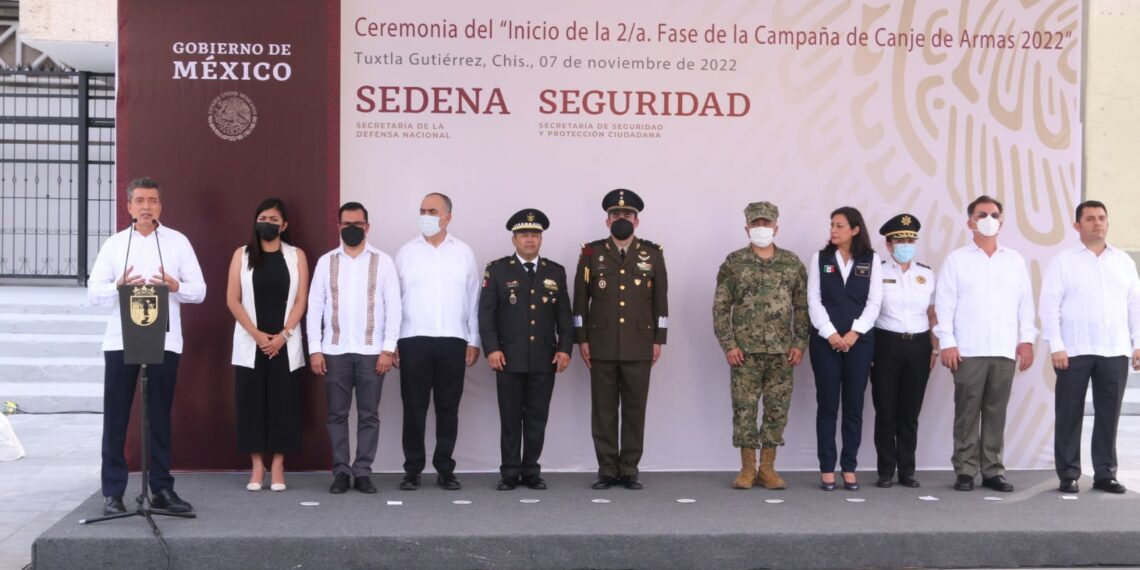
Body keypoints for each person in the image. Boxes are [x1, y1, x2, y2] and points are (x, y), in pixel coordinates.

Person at [87, 177, 205, 515]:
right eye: (139, 200)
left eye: (152, 200)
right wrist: (118, 286)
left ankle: (162, 490)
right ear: (128, 206)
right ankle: (113, 493)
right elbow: (93, 294)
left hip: (164, 339)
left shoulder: (177, 243)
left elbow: (201, 291)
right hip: (121, 340)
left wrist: (175, 285)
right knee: (116, 417)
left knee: (159, 416)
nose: (146, 206)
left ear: (161, 206)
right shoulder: (114, 245)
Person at [934, 195, 1036, 493]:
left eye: (994, 214)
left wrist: (1026, 341)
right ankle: (965, 470)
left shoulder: (1014, 260)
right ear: (970, 222)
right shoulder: (957, 260)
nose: (989, 218)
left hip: (1003, 350)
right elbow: (945, 305)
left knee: (996, 412)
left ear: (1001, 222)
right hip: (968, 350)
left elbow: (1025, 305)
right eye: (982, 214)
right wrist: (947, 343)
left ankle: (992, 470)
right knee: (967, 412)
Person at [1040, 200, 1140, 494]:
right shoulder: (1063, 261)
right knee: (1069, 413)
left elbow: (1135, 305)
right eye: (1090, 219)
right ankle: (1069, 474)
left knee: (1109, 414)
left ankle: (1105, 474)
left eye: (1102, 218)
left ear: (1107, 223)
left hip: (1115, 349)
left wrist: (1138, 343)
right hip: (1073, 350)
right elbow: (1049, 304)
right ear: (1077, 226)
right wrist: (1056, 345)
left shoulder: (1123, 261)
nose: (1097, 223)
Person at [573, 188, 668, 490]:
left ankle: (629, 469)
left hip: (639, 344)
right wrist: (581, 338)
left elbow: (660, 301)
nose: (621, 219)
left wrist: (659, 339)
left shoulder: (652, 254)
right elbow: (580, 301)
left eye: (627, 215)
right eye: (616, 215)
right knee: (603, 410)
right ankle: (606, 469)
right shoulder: (591, 253)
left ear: (636, 221)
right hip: (600, 344)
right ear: (607, 221)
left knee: (634, 409)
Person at [712, 201, 808, 490]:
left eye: (766, 223)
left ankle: (767, 468)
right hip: (745, 352)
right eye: (756, 224)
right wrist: (728, 344)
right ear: (747, 228)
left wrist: (800, 342)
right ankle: (746, 468)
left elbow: (802, 307)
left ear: (776, 227)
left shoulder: (792, 263)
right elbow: (720, 307)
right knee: (745, 409)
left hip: (781, 351)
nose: (761, 228)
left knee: (777, 410)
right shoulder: (734, 262)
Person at [307, 202, 401, 494]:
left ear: (367, 227)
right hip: (334, 351)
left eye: (357, 225)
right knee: (336, 414)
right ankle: (340, 471)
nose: (351, 229)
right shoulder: (326, 262)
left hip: (373, 350)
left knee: (369, 415)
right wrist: (315, 349)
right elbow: (315, 307)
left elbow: (394, 307)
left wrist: (388, 349)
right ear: (338, 227)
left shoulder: (383, 261)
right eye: (346, 224)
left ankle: (362, 472)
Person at [478, 209, 572, 490]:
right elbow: (486, 315)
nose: (529, 240)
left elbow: (564, 317)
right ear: (513, 239)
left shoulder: (555, 271)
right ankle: (509, 472)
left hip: (544, 359)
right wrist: (491, 349)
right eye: (523, 235)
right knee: (509, 419)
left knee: (536, 418)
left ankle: (531, 470)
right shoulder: (497, 270)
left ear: (541, 238)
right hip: (508, 358)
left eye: (534, 234)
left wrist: (565, 349)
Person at [395, 192, 481, 491]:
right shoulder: (406, 252)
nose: (426, 215)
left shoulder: (464, 252)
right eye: (422, 210)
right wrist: (392, 341)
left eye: (432, 210)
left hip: (452, 340)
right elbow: (394, 300)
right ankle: (413, 469)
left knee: (448, 408)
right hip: (412, 339)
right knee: (413, 408)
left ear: (448, 217)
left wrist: (474, 339)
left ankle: (445, 468)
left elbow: (473, 300)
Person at [226, 198, 309, 492]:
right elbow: (232, 299)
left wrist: (283, 336)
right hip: (252, 343)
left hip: (285, 343)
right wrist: (258, 335)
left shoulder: (296, 255)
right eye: (263, 217)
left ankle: (277, 465)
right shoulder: (242, 254)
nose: (268, 223)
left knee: (283, 403)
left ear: (284, 225)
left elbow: (301, 300)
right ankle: (257, 465)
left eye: (274, 219)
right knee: (251, 403)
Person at [807, 206, 882, 491]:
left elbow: (874, 303)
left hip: (859, 343)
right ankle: (827, 467)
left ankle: (848, 467)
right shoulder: (820, 258)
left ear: (855, 229)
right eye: (832, 224)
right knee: (827, 405)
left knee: (854, 406)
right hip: (826, 342)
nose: (833, 230)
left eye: (839, 225)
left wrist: (854, 333)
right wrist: (830, 333)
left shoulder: (871, 260)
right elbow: (813, 300)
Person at [869, 214, 937, 489]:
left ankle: (907, 470)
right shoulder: (878, 271)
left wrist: (934, 347)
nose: (906, 245)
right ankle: (885, 470)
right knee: (885, 410)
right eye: (900, 240)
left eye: (910, 240)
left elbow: (933, 313)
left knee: (910, 412)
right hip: (886, 343)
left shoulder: (926, 273)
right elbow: (870, 312)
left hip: (919, 345)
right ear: (889, 244)